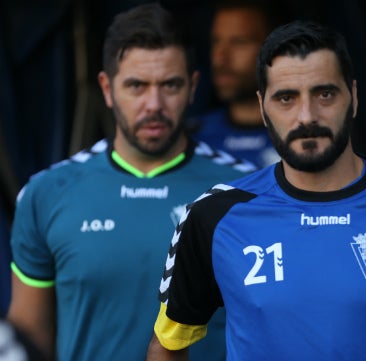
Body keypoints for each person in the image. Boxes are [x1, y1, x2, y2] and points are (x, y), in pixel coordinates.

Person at [146, 20, 366, 361]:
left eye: (324, 94)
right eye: (286, 98)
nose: (306, 115)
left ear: (353, 97)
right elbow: (168, 346)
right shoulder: (216, 214)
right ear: (263, 108)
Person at [6, 4, 253, 361]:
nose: (154, 104)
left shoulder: (246, 191)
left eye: (170, 85)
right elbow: (28, 339)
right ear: (106, 88)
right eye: (136, 85)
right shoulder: (46, 193)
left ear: (193, 87)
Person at [188, 0, 283, 168]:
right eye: (216, 41)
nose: (220, 57)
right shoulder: (189, 139)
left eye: (239, 42)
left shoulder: (302, 137)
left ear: (277, 49)